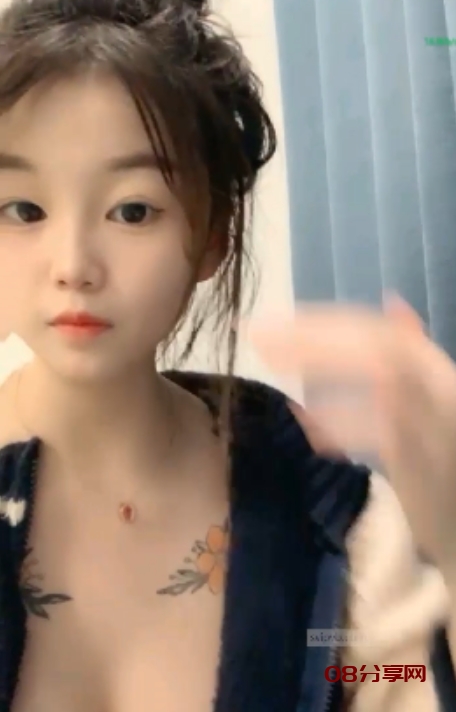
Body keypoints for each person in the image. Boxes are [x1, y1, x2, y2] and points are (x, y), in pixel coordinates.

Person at [0, 0, 454, 711]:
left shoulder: (322, 512)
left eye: (132, 210)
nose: (74, 265)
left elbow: (392, 683)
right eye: (24, 210)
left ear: (214, 234)